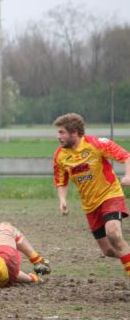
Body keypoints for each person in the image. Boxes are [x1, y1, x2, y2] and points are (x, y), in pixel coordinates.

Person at [53, 113, 130, 278]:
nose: (58, 137)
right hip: (89, 205)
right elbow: (61, 181)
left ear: (74, 132)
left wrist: (128, 176)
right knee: (109, 250)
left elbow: (126, 157)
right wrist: (63, 200)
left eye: (62, 132)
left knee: (113, 233)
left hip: (110, 194)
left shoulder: (96, 144)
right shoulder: (60, 155)